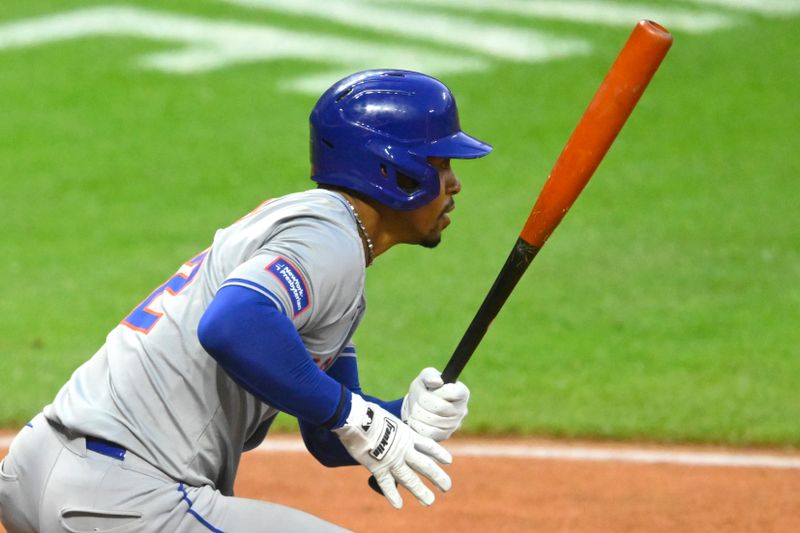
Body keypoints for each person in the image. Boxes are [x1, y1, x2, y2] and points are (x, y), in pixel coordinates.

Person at [0, 69, 492, 532]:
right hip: (120, 496)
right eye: (441, 164)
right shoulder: (330, 242)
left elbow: (325, 435)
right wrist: (354, 416)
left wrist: (401, 416)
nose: (454, 184)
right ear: (394, 171)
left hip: (43, 466)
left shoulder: (318, 239)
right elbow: (231, 324)